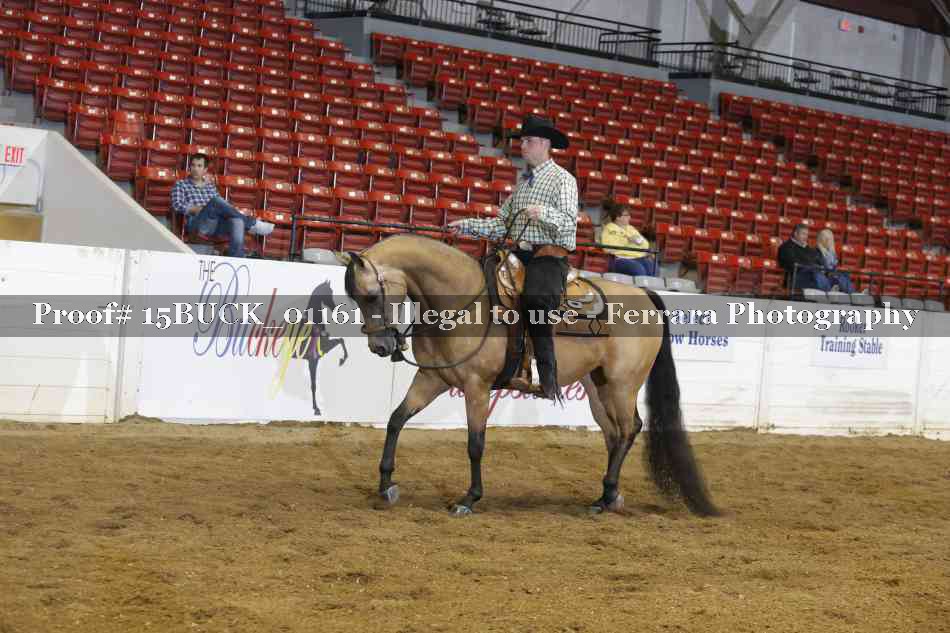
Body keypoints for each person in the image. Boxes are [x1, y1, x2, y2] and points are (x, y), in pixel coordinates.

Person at [447, 115, 578, 403]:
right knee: (482, 277)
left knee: (535, 299)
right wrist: (467, 225)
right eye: (522, 141)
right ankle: (500, 359)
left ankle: (546, 376)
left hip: (548, 256)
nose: (522, 146)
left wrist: (543, 213)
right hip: (519, 252)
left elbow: (570, 223)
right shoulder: (524, 183)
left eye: (527, 141)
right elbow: (501, 225)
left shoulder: (563, 180)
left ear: (543, 143)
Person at [170, 153, 274, 258]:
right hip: (198, 224)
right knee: (216, 201)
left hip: (216, 224)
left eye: (199, 166)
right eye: (193, 165)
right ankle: (251, 224)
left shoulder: (210, 186)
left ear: (205, 170)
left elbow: (221, 207)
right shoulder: (181, 184)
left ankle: (236, 258)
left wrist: (214, 209)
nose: (195, 169)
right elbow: (177, 205)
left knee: (237, 221)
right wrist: (198, 209)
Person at [599, 197, 656, 277]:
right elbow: (607, 249)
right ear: (618, 217)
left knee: (652, 267)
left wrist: (639, 241)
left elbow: (645, 244)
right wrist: (627, 241)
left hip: (638, 257)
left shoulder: (631, 228)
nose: (629, 217)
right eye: (626, 215)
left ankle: (648, 285)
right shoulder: (609, 229)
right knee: (638, 269)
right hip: (620, 259)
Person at [777, 223, 830, 291]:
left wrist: (821, 266)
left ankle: (833, 291)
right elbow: (792, 264)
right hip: (795, 278)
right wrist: (811, 266)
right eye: (803, 234)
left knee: (838, 275)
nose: (806, 237)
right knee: (816, 273)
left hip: (812, 276)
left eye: (807, 235)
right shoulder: (786, 247)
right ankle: (828, 291)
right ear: (795, 234)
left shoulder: (808, 248)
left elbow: (818, 261)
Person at [816, 228, 855, 293]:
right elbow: (819, 269)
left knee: (844, 274)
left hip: (832, 275)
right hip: (825, 277)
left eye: (831, 239)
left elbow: (834, 267)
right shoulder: (817, 252)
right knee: (839, 277)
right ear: (822, 240)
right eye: (828, 239)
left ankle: (852, 293)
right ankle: (852, 293)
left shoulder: (832, 253)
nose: (830, 241)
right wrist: (831, 272)